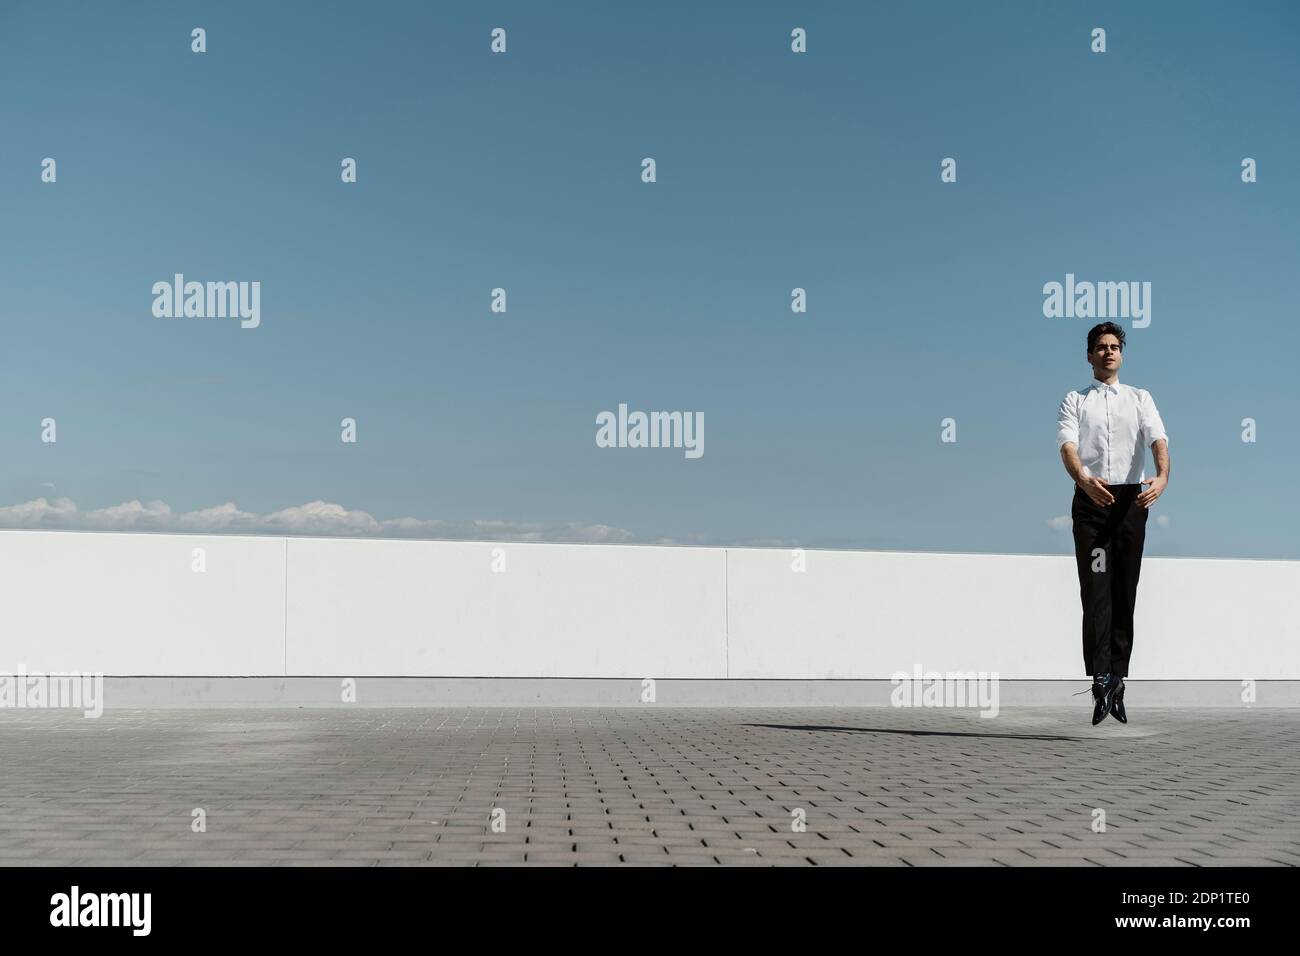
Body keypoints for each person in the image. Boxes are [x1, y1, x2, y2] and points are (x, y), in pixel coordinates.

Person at [1055, 322, 1171, 725]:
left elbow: (1158, 439)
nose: (1108, 352)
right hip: (1091, 503)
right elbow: (1067, 446)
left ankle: (1118, 677)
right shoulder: (1074, 399)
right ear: (1089, 355)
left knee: (1124, 591)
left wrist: (1161, 477)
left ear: (1122, 354)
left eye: (1115, 346)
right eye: (1101, 347)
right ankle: (1100, 677)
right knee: (1095, 591)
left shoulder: (1140, 398)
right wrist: (1084, 480)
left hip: (1129, 503)